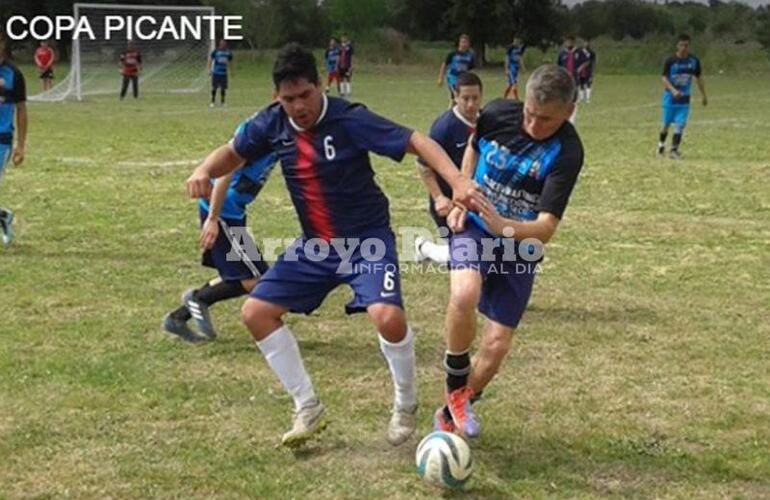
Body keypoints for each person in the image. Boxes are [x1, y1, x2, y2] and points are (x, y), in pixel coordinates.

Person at [185, 44, 476, 448]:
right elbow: (232, 154)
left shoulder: (349, 119)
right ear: (277, 98)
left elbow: (417, 142)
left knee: (387, 317)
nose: (298, 106)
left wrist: (457, 182)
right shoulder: (272, 124)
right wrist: (203, 169)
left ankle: (405, 403)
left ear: (320, 85)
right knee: (255, 313)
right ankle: (307, 406)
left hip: (366, 241)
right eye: (289, 99)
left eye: (305, 95)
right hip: (316, 246)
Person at [434, 65, 584, 439]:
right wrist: (462, 192)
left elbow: (546, 227)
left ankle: (455, 408)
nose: (533, 126)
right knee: (464, 291)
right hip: (475, 227)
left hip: (520, 244)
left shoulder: (567, 151)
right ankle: (456, 391)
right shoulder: (498, 113)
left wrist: (505, 226)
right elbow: (472, 147)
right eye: (530, 113)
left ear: (568, 112)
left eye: (545, 120)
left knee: (497, 346)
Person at [164, 119, 277, 342]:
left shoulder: (279, 131)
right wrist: (213, 219)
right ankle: (197, 299)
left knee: (242, 275)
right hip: (222, 213)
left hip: (232, 212)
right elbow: (224, 174)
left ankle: (179, 316)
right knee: (256, 279)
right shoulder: (260, 135)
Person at [416, 72, 483, 264]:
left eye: (475, 98)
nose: (470, 104)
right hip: (447, 202)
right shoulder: (444, 127)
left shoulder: (486, 121)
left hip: (475, 199)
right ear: (455, 97)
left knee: (479, 253)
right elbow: (423, 166)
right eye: (465, 98)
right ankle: (424, 248)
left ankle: (425, 249)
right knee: (462, 257)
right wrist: (439, 198)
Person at [657, 34, 707, 160]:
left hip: (684, 99)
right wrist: (673, 90)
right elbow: (664, 78)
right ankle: (661, 144)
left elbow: (699, 78)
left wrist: (704, 95)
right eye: (681, 45)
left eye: (686, 45)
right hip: (670, 98)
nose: (684, 48)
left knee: (680, 124)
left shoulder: (693, 61)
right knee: (666, 125)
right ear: (677, 46)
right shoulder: (670, 61)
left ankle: (674, 150)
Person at [0, 31, 28, 248]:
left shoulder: (14, 74)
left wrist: (20, 146)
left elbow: (21, 110)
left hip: (2, 139)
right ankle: (3, 216)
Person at [438, 34, 476, 104]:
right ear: (459, 43)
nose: (464, 44)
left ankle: (452, 112)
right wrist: (440, 78)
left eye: (465, 42)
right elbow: (444, 65)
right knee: (456, 96)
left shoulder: (470, 56)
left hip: (462, 79)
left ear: (468, 44)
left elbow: (470, 69)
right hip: (452, 78)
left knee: (457, 99)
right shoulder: (453, 54)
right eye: (462, 42)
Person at [556, 35, 582, 124]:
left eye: (570, 42)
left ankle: (572, 119)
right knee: (563, 98)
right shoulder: (562, 53)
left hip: (574, 79)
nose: (568, 43)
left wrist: (579, 69)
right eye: (567, 42)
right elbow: (558, 66)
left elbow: (586, 61)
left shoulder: (578, 52)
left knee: (573, 99)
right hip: (564, 79)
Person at [209, 40, 233, 107]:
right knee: (214, 88)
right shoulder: (216, 51)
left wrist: (231, 71)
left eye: (224, 44)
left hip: (224, 73)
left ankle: (223, 102)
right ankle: (212, 101)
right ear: (219, 44)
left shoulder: (228, 52)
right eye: (221, 44)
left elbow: (230, 62)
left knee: (223, 88)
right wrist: (210, 69)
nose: (222, 45)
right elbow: (211, 59)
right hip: (216, 73)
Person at [577, 39, 596, 103]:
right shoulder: (579, 52)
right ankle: (581, 98)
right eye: (585, 42)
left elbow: (593, 62)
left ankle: (587, 98)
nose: (586, 44)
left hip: (588, 70)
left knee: (588, 84)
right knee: (581, 84)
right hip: (581, 70)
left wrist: (592, 70)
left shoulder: (592, 53)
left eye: (587, 43)